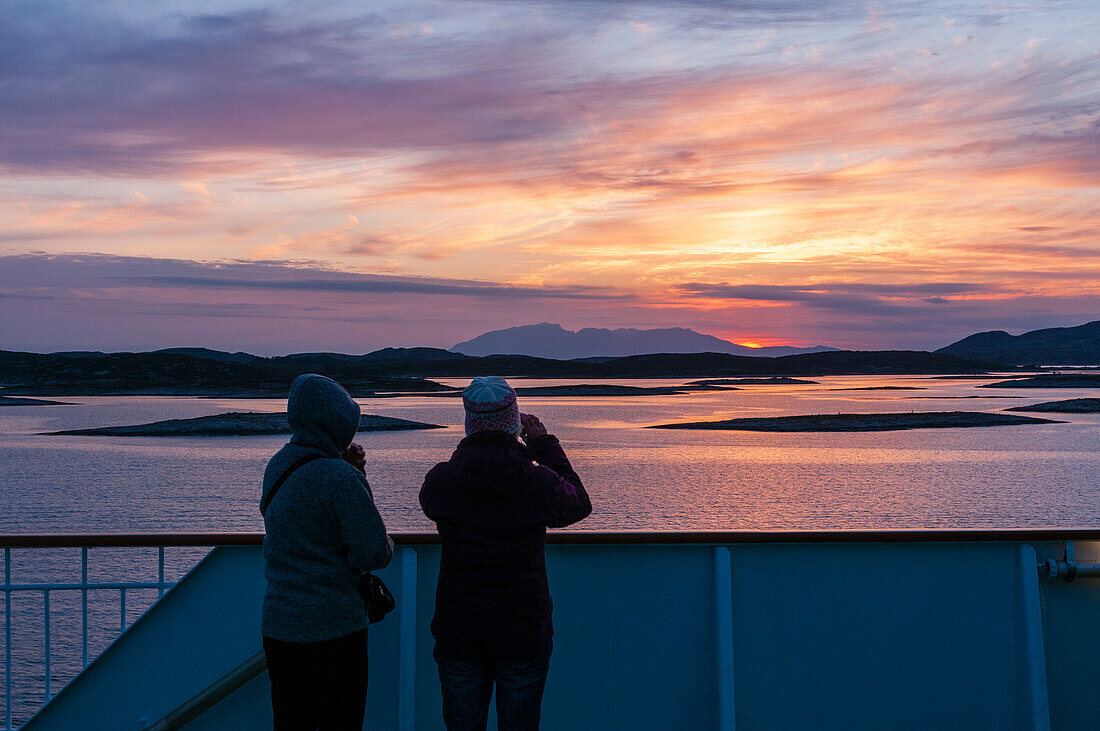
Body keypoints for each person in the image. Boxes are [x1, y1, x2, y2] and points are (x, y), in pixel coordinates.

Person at [420, 376, 592, 731]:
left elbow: (433, 502)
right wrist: (544, 445)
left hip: (459, 631)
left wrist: (467, 452)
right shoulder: (537, 483)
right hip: (523, 630)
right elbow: (579, 503)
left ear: (469, 423)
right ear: (514, 421)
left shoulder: (441, 482)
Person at [260, 373, 394, 731]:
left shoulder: (277, 465)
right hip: (335, 631)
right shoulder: (340, 478)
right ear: (338, 424)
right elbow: (371, 553)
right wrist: (357, 478)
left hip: (281, 627)